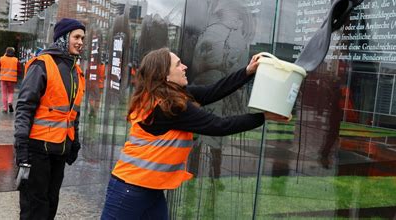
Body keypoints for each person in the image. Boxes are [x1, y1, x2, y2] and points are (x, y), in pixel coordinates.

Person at [100, 48, 289, 219]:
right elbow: (219, 126)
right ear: (164, 76)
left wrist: (248, 71)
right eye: (178, 64)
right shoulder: (169, 106)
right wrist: (263, 116)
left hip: (149, 188)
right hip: (130, 189)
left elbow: (211, 92)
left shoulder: (166, 95)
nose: (185, 67)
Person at [14, 18, 86, 220]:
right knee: (34, 207)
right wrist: (22, 149)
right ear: (63, 38)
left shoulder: (77, 72)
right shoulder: (43, 64)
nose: (80, 42)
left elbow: (74, 114)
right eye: (76, 37)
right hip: (37, 149)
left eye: (82, 38)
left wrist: (75, 142)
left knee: (50, 203)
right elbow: (24, 107)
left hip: (60, 149)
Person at [0, 47, 21, 112]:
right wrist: (17, 76)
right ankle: (10, 102)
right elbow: (19, 71)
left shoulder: (1, 59)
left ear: (6, 52)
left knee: (4, 93)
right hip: (12, 79)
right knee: (11, 92)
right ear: (13, 53)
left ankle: (5, 108)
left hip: (3, 79)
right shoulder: (16, 60)